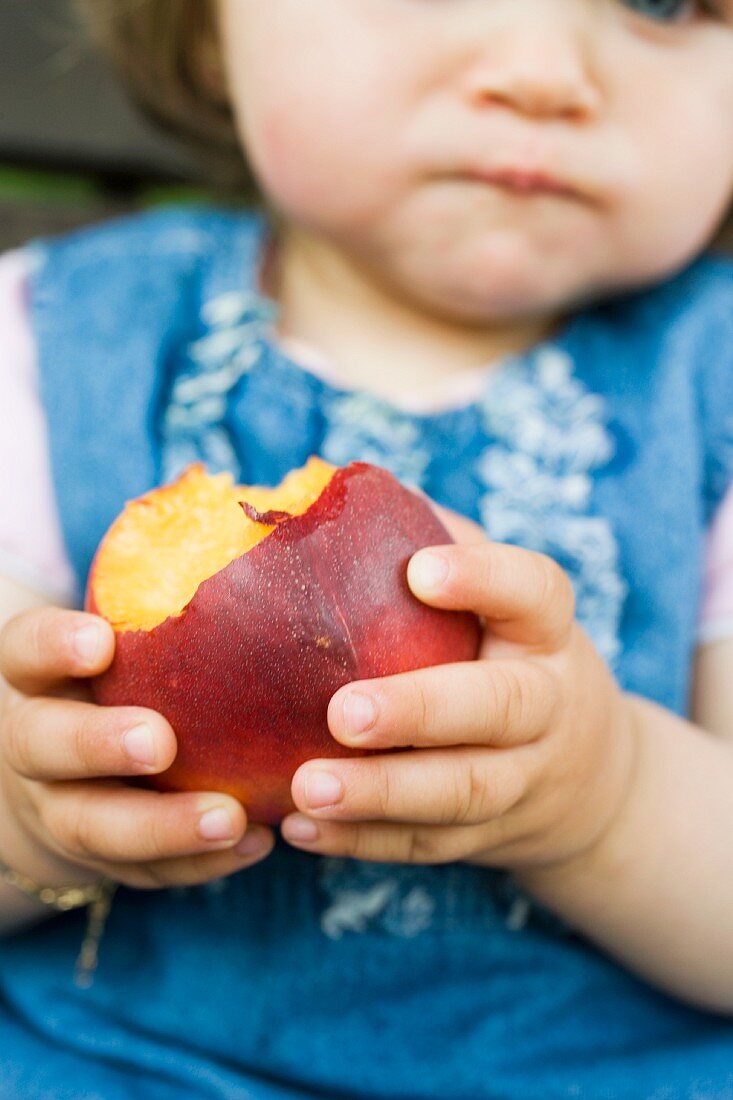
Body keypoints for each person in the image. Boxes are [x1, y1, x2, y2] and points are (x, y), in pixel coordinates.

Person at [1, 0, 732, 1096]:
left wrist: (608, 797)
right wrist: (30, 815)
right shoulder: (52, 349)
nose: (538, 71)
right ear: (207, 25)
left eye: (664, 1)